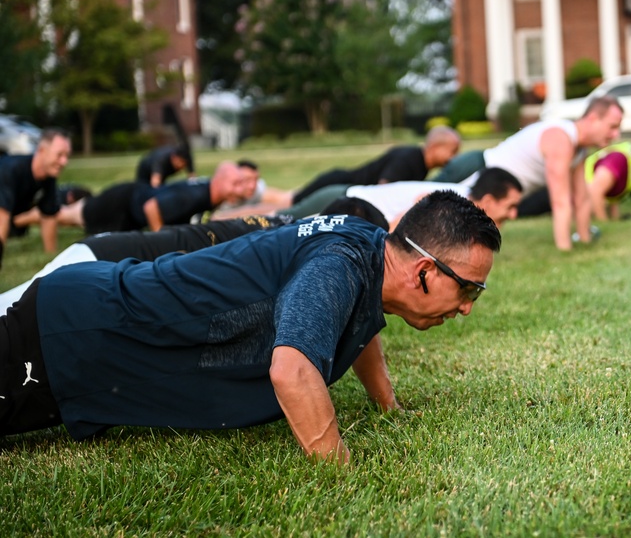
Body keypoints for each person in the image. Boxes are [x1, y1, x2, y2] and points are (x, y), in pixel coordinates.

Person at [0, 191, 501, 463]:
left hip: (88, 318)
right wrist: (339, 472)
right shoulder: (340, 266)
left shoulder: (371, 247)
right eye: (469, 289)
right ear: (424, 271)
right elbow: (292, 371)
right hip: (67, 335)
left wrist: (388, 406)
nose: (467, 308)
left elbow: (363, 321)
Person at [0, 213, 298, 313]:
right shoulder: (280, 241)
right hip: (101, 256)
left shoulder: (277, 227)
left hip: (107, 251)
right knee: (15, 307)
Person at [435, 96, 624, 251]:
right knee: (420, 203)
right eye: (612, 126)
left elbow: (581, 199)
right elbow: (560, 201)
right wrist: (565, 249)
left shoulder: (579, 149)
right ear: (593, 118)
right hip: (475, 169)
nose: (616, 135)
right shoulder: (561, 139)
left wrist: (585, 240)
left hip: (491, 180)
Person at [274, 167, 523, 229]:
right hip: (344, 200)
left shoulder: (462, 200)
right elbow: (421, 201)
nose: (514, 215)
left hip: (353, 203)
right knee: (270, 224)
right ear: (488, 200)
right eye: (510, 206)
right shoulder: (457, 202)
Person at [54, 162, 257, 234]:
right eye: (235, 183)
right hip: (121, 203)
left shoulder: (210, 194)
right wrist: (160, 240)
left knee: (73, 218)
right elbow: (152, 207)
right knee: (68, 216)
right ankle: (28, 216)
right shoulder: (194, 196)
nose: (240, 189)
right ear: (219, 180)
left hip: (131, 208)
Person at [280, 126, 461, 206]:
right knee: (290, 207)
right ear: (435, 147)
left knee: (289, 203)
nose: (453, 158)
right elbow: (385, 188)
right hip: (337, 186)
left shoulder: (421, 164)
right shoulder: (411, 158)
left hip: (343, 188)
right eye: (452, 151)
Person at [0, 128, 72, 265]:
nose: (64, 162)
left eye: (67, 156)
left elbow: (49, 216)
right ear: (42, 151)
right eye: (59, 155)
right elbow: (1, 219)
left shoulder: (48, 177)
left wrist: (51, 260)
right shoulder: (9, 170)